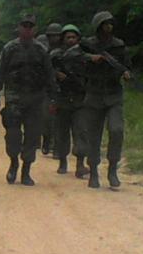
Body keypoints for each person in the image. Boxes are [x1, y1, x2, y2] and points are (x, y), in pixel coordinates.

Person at [0, 14, 57, 186]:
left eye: (30, 26)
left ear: (35, 29)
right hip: (14, 97)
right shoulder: (9, 48)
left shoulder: (41, 50)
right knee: (13, 134)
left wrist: (53, 99)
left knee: (32, 136)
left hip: (36, 98)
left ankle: (26, 170)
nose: (27, 29)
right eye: (24, 26)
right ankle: (13, 163)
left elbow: (49, 75)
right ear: (19, 28)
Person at [82, 11, 131, 189]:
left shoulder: (119, 45)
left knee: (117, 130)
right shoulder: (88, 44)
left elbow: (126, 65)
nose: (108, 27)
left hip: (113, 94)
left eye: (110, 24)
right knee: (93, 135)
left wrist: (126, 72)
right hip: (94, 94)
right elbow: (72, 57)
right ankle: (93, 171)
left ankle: (112, 169)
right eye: (104, 24)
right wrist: (90, 58)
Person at [50, 24, 89, 177]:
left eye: (73, 37)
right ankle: (62, 161)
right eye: (68, 37)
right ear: (63, 39)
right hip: (62, 99)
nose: (71, 40)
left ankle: (80, 164)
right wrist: (56, 75)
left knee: (81, 132)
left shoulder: (84, 55)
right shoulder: (56, 56)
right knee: (62, 133)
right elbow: (47, 74)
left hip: (80, 99)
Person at [40, 22, 63, 155]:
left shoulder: (65, 51)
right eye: (52, 36)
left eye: (57, 35)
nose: (55, 38)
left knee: (59, 119)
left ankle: (57, 145)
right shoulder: (43, 51)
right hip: (47, 90)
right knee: (46, 118)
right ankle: (47, 140)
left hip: (63, 89)